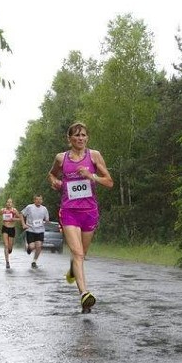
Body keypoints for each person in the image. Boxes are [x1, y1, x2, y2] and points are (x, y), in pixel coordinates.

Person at [48, 122, 113, 313]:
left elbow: (109, 182)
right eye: (76, 135)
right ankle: (84, 294)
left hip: (89, 212)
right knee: (77, 253)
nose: (80, 138)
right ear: (69, 139)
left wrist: (92, 176)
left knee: (81, 254)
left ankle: (72, 270)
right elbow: (51, 174)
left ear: (88, 137)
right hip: (69, 211)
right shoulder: (61, 158)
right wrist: (56, 182)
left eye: (83, 135)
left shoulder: (94, 156)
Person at [21, 194, 50, 269]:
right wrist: (23, 224)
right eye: (37, 199)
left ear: (42, 200)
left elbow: (46, 219)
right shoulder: (29, 207)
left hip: (40, 230)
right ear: (34, 200)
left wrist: (47, 221)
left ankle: (34, 261)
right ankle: (29, 248)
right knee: (32, 246)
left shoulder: (44, 209)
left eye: (40, 199)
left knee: (39, 246)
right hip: (30, 230)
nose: (38, 201)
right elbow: (21, 214)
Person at [0, 198, 23, 269]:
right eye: (8, 202)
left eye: (10, 202)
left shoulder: (14, 210)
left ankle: (10, 250)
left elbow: (20, 218)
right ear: (6, 203)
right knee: (6, 245)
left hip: (12, 229)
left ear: (12, 204)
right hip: (5, 228)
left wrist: (14, 219)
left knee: (10, 247)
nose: (9, 203)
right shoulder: (3, 210)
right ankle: (7, 262)